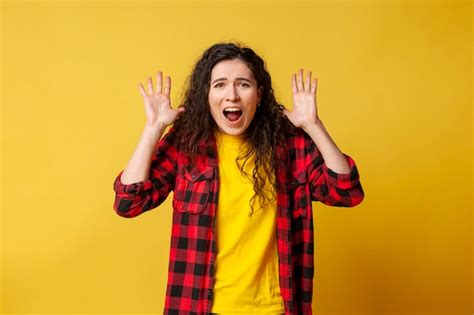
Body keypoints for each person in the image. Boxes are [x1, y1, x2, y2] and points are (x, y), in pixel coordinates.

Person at [112, 42, 364, 315]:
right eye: (219, 84)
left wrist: (313, 126)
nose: (231, 95)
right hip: (201, 308)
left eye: (243, 84)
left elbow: (347, 192)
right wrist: (154, 128)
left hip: (276, 309)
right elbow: (128, 203)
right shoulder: (187, 144)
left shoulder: (289, 144)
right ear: (206, 95)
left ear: (259, 94)